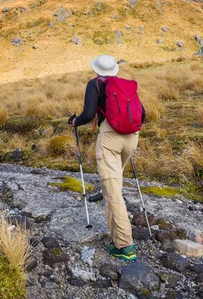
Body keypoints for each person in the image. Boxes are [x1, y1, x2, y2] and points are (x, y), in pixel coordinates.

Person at [68, 54, 145, 262]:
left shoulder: (95, 84)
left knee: (113, 192)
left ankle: (125, 245)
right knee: (113, 187)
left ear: (96, 70)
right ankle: (117, 232)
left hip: (110, 138)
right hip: (132, 137)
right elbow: (143, 114)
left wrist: (75, 121)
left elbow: (89, 113)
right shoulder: (125, 85)